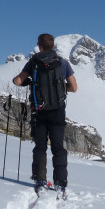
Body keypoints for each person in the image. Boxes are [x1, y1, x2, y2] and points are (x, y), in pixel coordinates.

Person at [13, 33, 77, 197]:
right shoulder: (62, 62)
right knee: (58, 148)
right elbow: (74, 87)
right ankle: (60, 184)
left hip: (39, 111)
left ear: (39, 46)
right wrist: (61, 88)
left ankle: (40, 181)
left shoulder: (33, 63)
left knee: (40, 147)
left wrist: (27, 81)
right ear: (53, 46)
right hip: (57, 111)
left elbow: (18, 81)